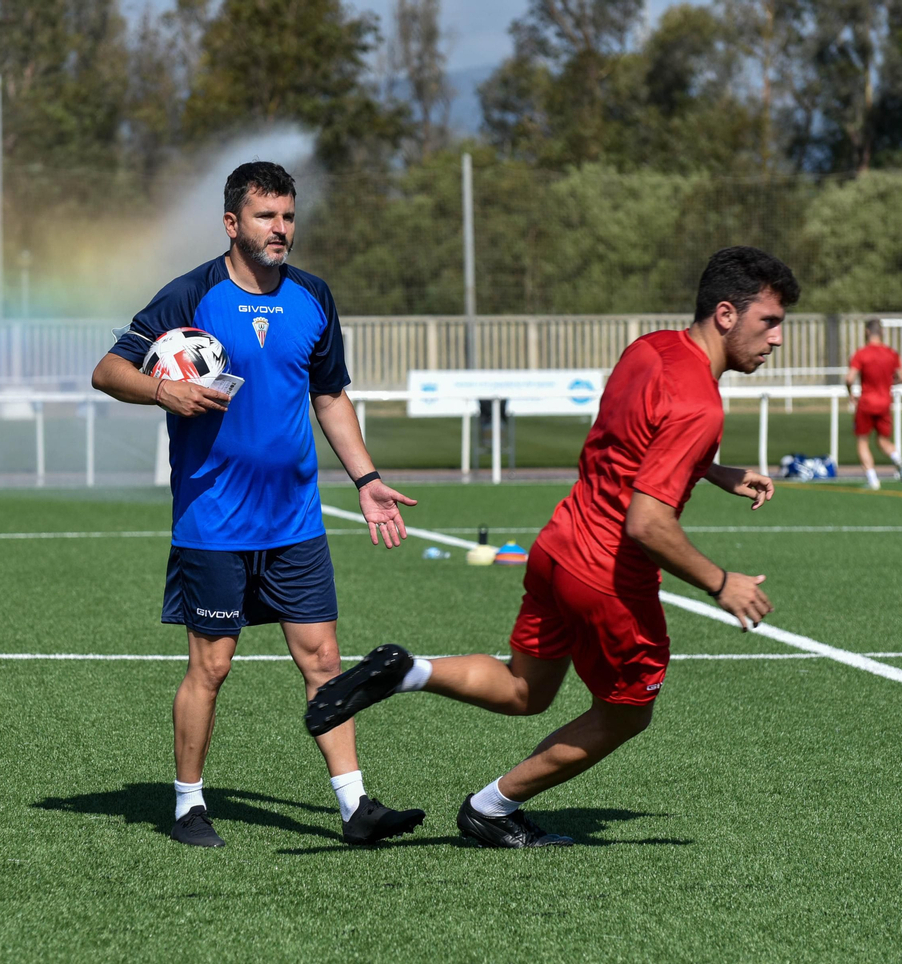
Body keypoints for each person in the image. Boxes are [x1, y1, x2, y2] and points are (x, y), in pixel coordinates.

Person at [306, 246, 798, 848]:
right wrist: (723, 583)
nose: (777, 338)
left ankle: (410, 671)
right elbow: (648, 524)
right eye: (769, 321)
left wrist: (711, 470)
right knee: (627, 713)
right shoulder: (700, 402)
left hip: (559, 545)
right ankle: (491, 809)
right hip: (609, 581)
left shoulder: (649, 348)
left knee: (526, 689)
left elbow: (630, 442)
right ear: (726, 314)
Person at [90, 161, 424, 849]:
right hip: (213, 521)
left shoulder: (313, 296)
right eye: (266, 216)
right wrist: (165, 391)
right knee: (211, 667)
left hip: (295, 521)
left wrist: (366, 479)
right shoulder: (191, 295)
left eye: (288, 216)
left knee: (323, 661)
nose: (280, 229)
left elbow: (329, 395)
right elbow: (108, 370)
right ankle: (188, 806)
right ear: (231, 223)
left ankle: (355, 807)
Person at [846, 319, 902, 488]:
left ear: (867, 332)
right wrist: (889, 382)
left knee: (862, 441)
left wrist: (850, 393)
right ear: (882, 332)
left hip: (866, 403)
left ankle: (873, 479)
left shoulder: (861, 353)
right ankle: (899, 461)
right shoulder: (891, 353)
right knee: (883, 440)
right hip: (885, 403)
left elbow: (849, 378)